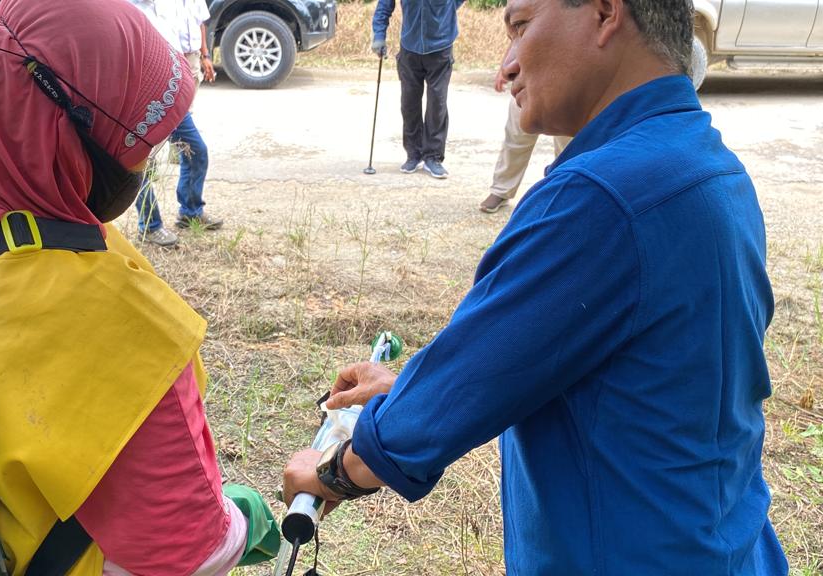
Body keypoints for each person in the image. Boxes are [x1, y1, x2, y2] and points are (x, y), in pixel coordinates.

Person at [284, 1, 789, 574]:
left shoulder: (599, 195)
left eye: (521, 27)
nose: (505, 67)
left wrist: (334, 471)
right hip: (723, 545)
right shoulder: (709, 164)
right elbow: (572, 360)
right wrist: (408, 386)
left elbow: (461, 389)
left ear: (603, 13)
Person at [0, 0, 278, 574]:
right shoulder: (115, 323)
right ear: (52, 131)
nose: (143, 159)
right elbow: (189, 551)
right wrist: (247, 517)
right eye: (136, 140)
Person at [130, 0, 221, 248]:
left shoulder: (165, 8)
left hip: (169, 97)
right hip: (139, 102)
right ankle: (150, 226)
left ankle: (190, 211)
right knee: (141, 166)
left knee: (197, 151)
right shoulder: (126, 11)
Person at [371, 0, 464, 179]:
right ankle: (413, 154)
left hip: (441, 47)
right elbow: (384, 6)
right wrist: (379, 36)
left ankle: (433, 157)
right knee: (409, 104)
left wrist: (444, 13)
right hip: (410, 48)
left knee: (437, 103)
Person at [481, 49, 571, 214]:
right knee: (516, 137)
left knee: (567, 143)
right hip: (527, 78)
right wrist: (505, 66)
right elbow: (516, 35)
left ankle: (564, 194)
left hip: (564, 78)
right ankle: (501, 190)